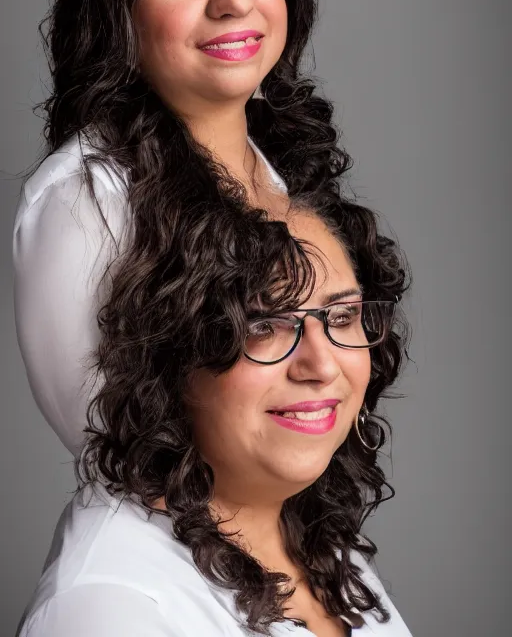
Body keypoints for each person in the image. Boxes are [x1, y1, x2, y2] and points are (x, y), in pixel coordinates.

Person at [12, 0, 344, 456]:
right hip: (168, 550)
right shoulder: (84, 197)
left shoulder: (278, 170)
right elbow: (115, 453)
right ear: (117, 13)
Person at [16, 200, 412, 637]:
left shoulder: (311, 537)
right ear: (172, 360)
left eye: (341, 317)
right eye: (263, 326)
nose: (322, 366)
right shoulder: (107, 608)